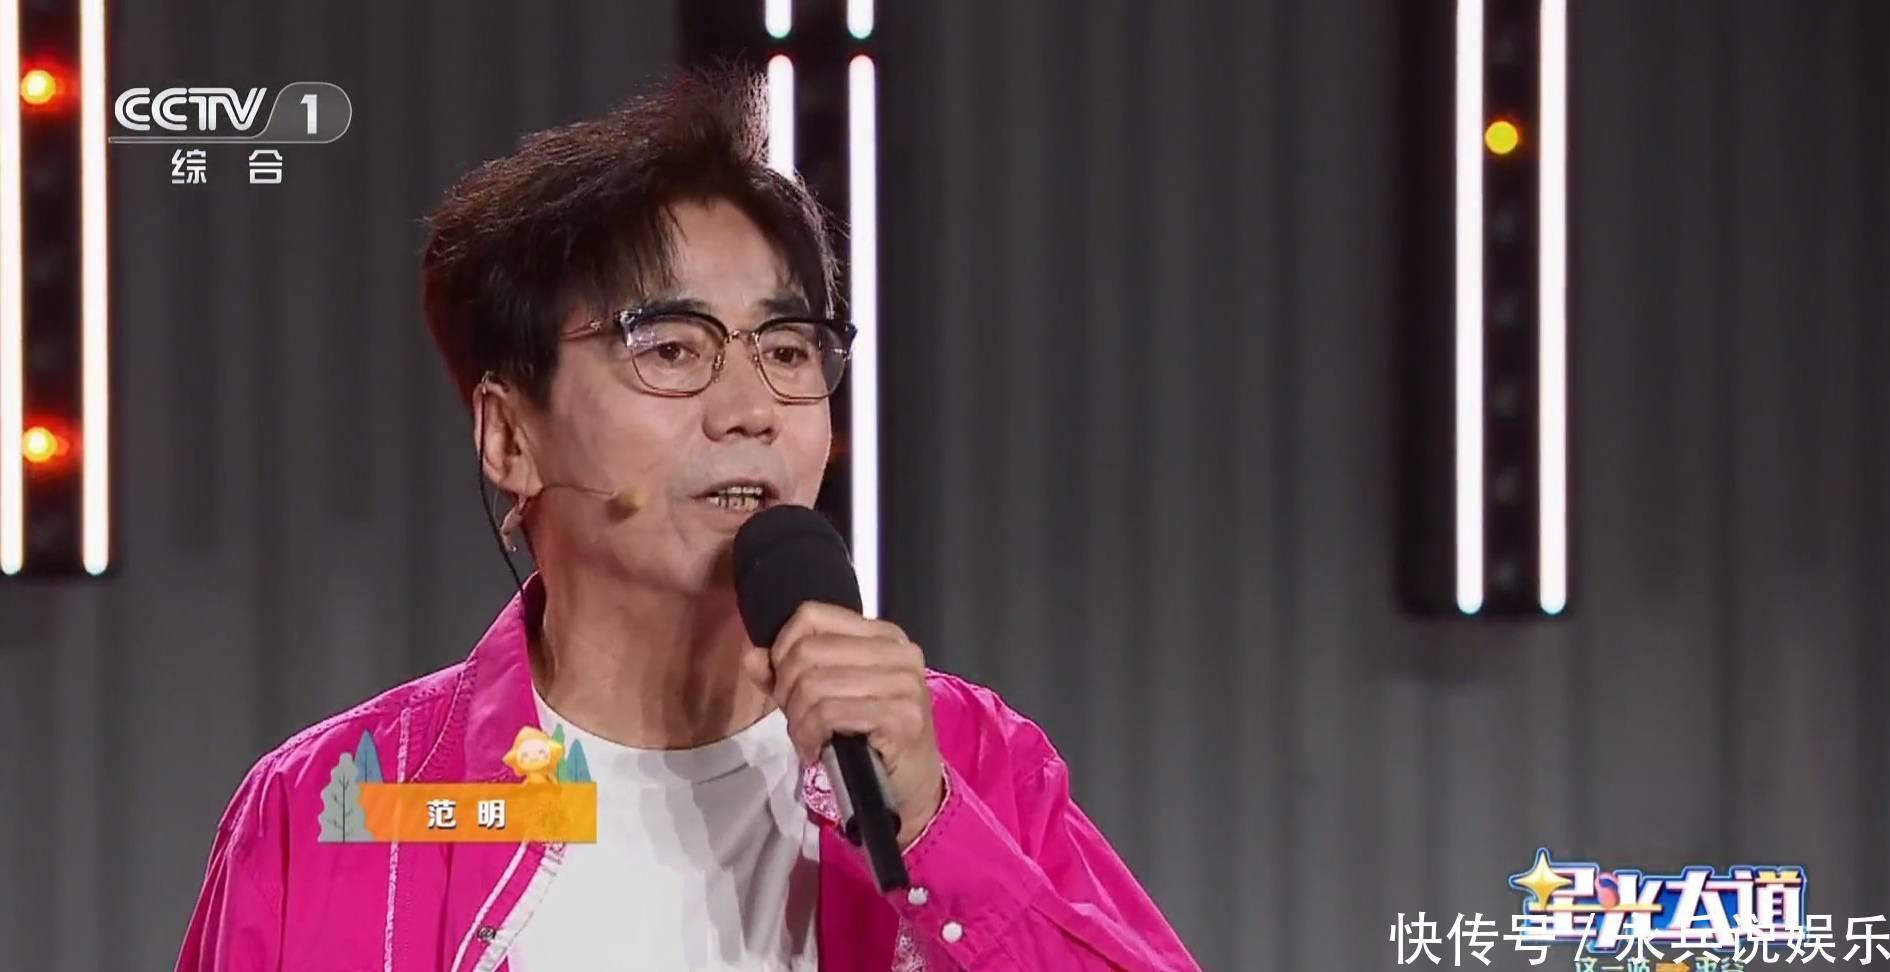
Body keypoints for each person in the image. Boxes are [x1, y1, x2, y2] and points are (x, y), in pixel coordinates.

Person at [175, 68, 1199, 972]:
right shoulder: (342, 811)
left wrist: (936, 832)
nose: (751, 409)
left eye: (787, 350)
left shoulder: (967, 760)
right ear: (511, 437)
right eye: (670, 348)